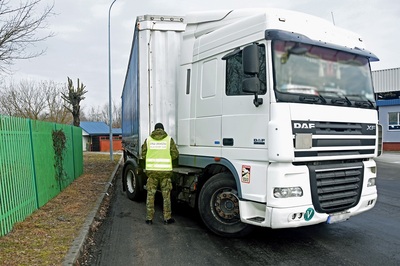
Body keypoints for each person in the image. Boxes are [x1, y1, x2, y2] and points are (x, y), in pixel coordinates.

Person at [141, 122, 179, 225]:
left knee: (150, 195)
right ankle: (167, 218)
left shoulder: (148, 140)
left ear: (155, 129)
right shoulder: (169, 140)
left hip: (152, 172)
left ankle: (149, 218)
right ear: (162, 129)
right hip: (165, 172)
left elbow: (143, 155)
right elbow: (175, 154)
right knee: (166, 196)